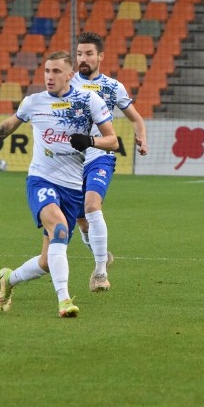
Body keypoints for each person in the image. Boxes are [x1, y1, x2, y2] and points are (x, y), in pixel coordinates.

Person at [0, 51, 118, 318]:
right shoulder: (34, 102)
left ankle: (9, 279)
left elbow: (112, 141)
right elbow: (6, 127)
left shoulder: (89, 100)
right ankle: (64, 300)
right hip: (41, 180)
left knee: (46, 262)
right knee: (61, 231)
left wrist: (90, 142)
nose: (49, 77)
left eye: (56, 71)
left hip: (71, 188)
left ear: (70, 75)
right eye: (46, 71)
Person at [71, 31, 149, 292]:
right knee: (80, 219)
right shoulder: (67, 84)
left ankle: (100, 273)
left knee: (93, 206)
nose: (83, 58)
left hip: (100, 153)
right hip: (70, 160)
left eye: (89, 54)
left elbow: (136, 118)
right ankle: (102, 252)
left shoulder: (113, 86)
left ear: (100, 56)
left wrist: (142, 139)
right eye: (80, 53)